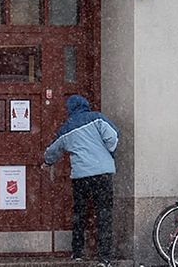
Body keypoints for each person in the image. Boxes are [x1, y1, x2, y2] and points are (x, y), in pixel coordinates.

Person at [43, 94, 119, 267]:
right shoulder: (97, 118)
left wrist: (46, 162)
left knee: (79, 213)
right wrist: (108, 153)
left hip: (81, 176)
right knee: (104, 213)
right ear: (85, 105)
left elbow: (52, 151)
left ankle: (78, 252)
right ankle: (104, 256)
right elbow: (112, 136)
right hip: (103, 173)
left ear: (70, 109)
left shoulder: (66, 128)